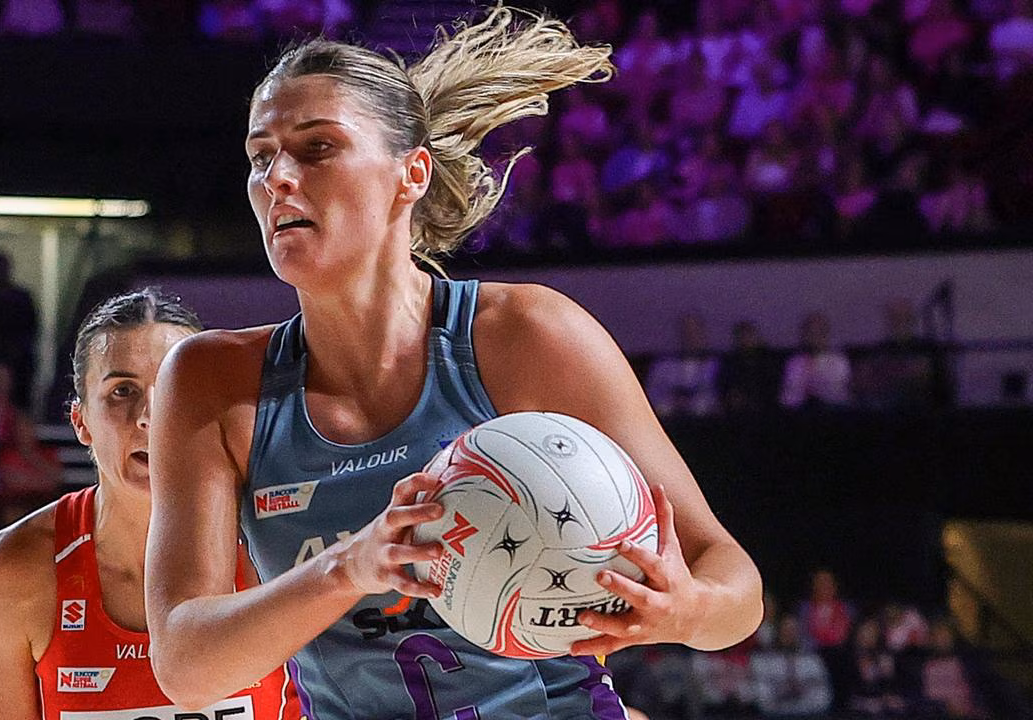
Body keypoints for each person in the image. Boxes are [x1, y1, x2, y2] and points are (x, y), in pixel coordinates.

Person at [144, 7, 763, 717]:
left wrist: (686, 610)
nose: (278, 177)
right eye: (261, 157)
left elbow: (734, 587)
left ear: (410, 174)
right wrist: (348, 566)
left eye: (317, 148)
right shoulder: (209, 380)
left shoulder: (526, 335)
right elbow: (185, 666)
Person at [0, 289, 298, 720]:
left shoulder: (275, 538)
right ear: (81, 422)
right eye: (122, 391)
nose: (149, 415)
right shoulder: (17, 568)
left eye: (174, 387)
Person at [0, 251, 38, 409]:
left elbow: (32, 328)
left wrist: (18, 350)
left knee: (20, 405)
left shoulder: (22, 298)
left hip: (20, 362)